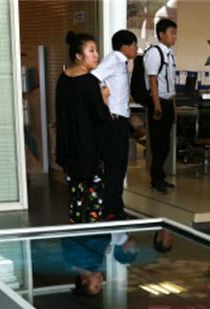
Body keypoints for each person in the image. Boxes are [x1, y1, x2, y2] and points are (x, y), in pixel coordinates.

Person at [55, 32, 109, 223]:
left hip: (68, 146)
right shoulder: (90, 82)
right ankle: (94, 228)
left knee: (75, 195)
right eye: (91, 51)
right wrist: (104, 97)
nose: (97, 55)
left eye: (96, 50)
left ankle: (75, 225)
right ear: (78, 56)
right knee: (95, 193)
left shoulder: (62, 79)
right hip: (88, 147)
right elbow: (101, 116)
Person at [92, 30, 138, 220]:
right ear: (125, 47)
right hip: (113, 123)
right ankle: (111, 211)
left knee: (119, 168)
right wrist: (105, 102)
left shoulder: (122, 62)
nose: (136, 49)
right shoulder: (114, 60)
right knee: (114, 168)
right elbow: (93, 78)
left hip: (121, 121)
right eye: (135, 45)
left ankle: (116, 208)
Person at [144, 18, 178, 194]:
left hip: (168, 102)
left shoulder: (170, 55)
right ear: (161, 34)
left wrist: (174, 108)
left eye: (175, 33)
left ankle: (161, 177)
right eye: (172, 33)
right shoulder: (155, 53)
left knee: (165, 146)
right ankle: (156, 181)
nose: (174, 37)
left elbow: (171, 85)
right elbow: (153, 80)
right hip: (159, 104)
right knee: (159, 145)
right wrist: (157, 106)